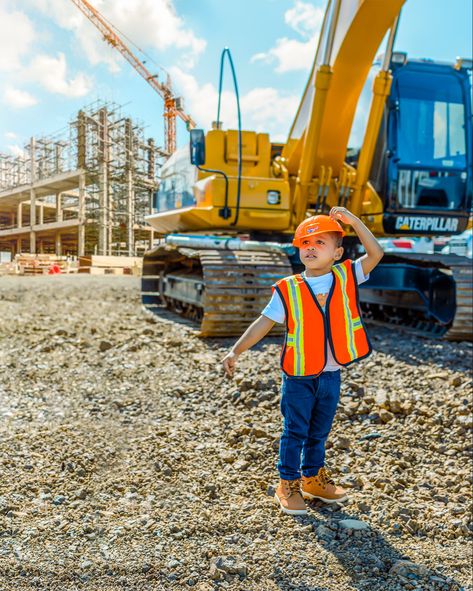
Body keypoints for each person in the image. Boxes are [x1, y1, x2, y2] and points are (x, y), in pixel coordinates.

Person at [222, 207, 384, 515]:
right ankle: (288, 483)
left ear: (337, 253)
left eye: (319, 242)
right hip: (298, 376)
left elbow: (376, 252)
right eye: (305, 242)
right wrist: (236, 351)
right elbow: (263, 323)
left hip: (330, 376)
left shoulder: (347, 276)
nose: (310, 246)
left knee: (319, 432)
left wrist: (354, 222)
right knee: (294, 430)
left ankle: (312, 478)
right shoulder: (288, 289)